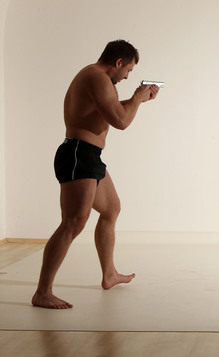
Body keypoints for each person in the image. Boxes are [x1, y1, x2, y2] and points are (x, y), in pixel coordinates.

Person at [31, 40, 160, 309]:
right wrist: (136, 98)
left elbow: (109, 110)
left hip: (90, 156)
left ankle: (109, 274)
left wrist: (138, 100)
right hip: (78, 154)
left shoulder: (97, 79)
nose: (127, 77)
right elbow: (121, 121)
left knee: (111, 208)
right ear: (118, 63)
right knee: (73, 222)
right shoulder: (97, 78)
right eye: (129, 70)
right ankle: (43, 292)